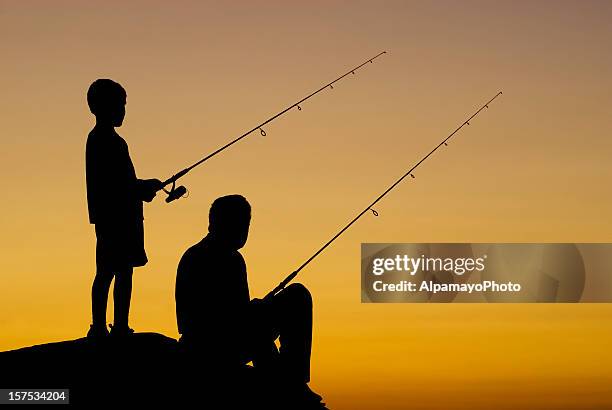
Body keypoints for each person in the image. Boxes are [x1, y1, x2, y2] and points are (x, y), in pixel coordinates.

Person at [175, 195, 324, 406]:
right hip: (208, 346)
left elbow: (239, 314)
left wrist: (252, 309)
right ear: (217, 223)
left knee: (296, 294)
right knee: (293, 299)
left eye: (247, 223)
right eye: (240, 223)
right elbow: (211, 319)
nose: (245, 230)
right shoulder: (199, 257)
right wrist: (252, 310)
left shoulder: (233, 258)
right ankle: (290, 383)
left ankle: (292, 379)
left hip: (229, 337)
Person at [85, 79, 162, 339]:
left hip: (114, 217)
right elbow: (117, 184)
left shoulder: (103, 139)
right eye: (120, 105)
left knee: (114, 271)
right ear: (103, 107)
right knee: (113, 272)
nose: (123, 111)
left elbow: (121, 184)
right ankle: (109, 326)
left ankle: (111, 325)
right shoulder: (106, 141)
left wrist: (141, 188)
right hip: (116, 219)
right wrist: (142, 188)